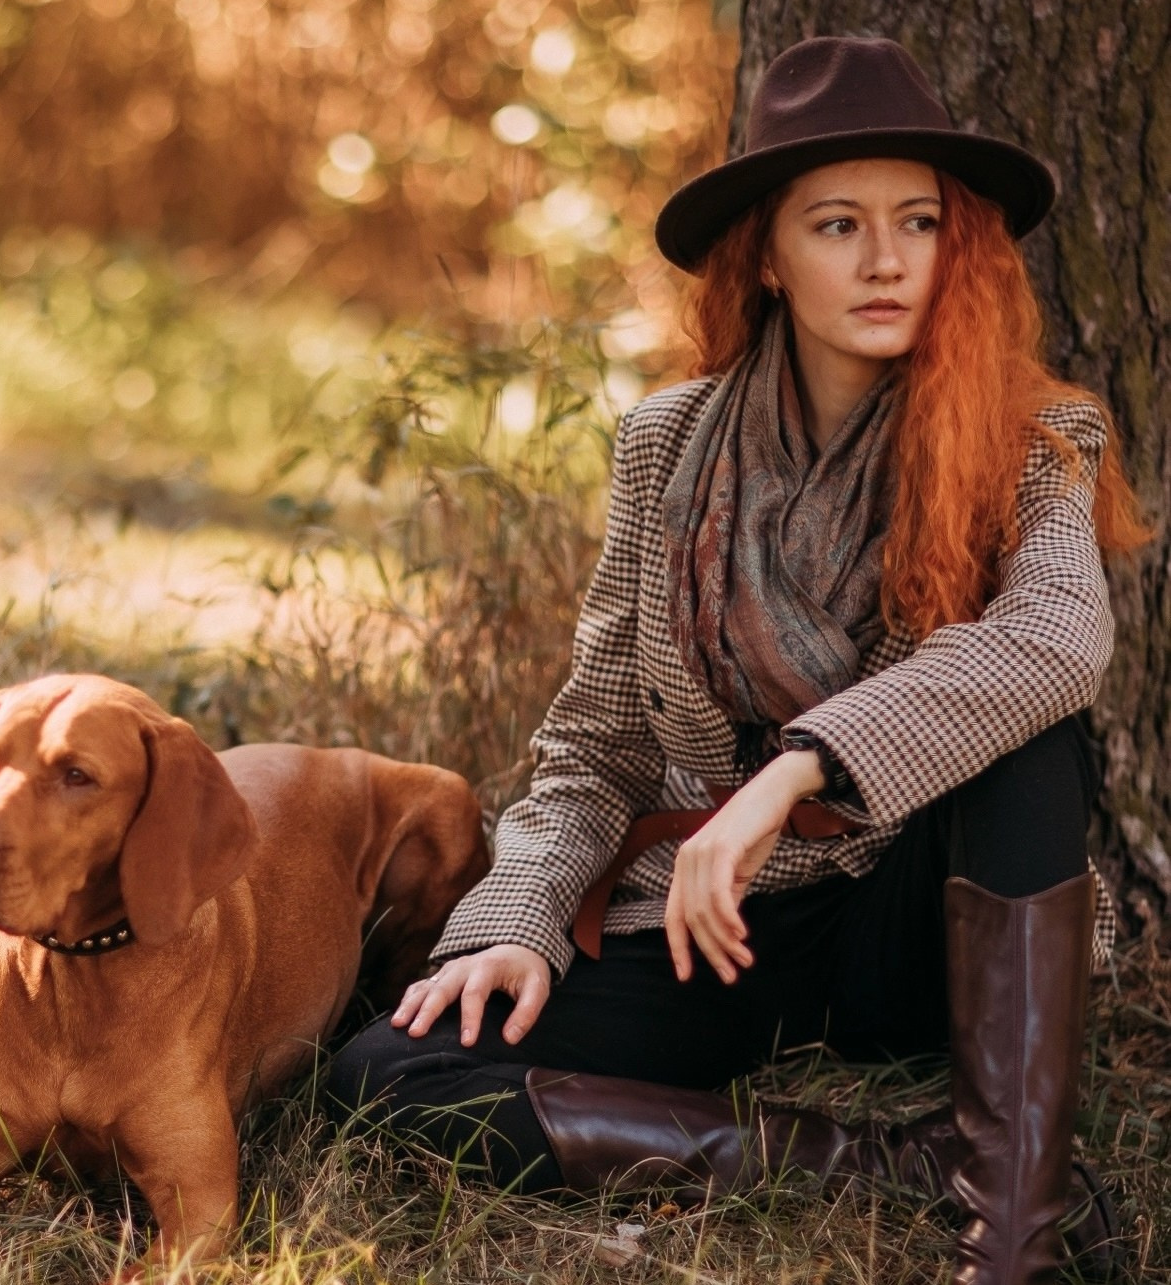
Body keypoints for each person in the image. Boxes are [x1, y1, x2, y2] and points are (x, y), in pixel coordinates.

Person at [329, 35, 1146, 1285]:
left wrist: (789, 778)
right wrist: (517, 925)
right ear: (765, 253)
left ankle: (1016, 1223)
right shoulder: (667, 444)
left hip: (923, 922)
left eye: (916, 222)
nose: (884, 259)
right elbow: (595, 741)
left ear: (952, 242)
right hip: (725, 926)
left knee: (1028, 725)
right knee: (394, 1069)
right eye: (834, 225)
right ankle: (911, 1167)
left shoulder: (1036, 433)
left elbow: (1050, 641)